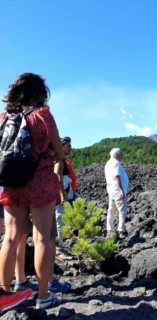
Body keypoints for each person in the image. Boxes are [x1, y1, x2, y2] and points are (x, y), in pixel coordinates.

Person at [0, 73, 64, 309]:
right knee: (42, 239)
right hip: (39, 184)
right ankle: (43, 296)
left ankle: (4, 294)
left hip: (12, 184)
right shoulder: (43, 115)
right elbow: (59, 152)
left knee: (10, 237)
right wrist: (48, 153)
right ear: (39, 95)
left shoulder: (4, 117)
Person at [54, 136, 77, 248]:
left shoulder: (63, 160)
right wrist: (62, 195)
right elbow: (58, 178)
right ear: (61, 146)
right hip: (63, 193)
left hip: (68, 192)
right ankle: (60, 246)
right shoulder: (59, 161)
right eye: (68, 146)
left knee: (66, 215)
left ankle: (65, 237)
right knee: (60, 217)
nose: (70, 148)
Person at [104, 148, 129, 239]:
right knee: (122, 211)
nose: (121, 155)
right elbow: (116, 176)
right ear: (117, 154)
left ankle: (109, 229)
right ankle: (121, 230)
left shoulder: (108, 163)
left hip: (111, 190)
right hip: (117, 191)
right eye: (120, 154)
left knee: (111, 210)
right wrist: (121, 190)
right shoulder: (116, 163)